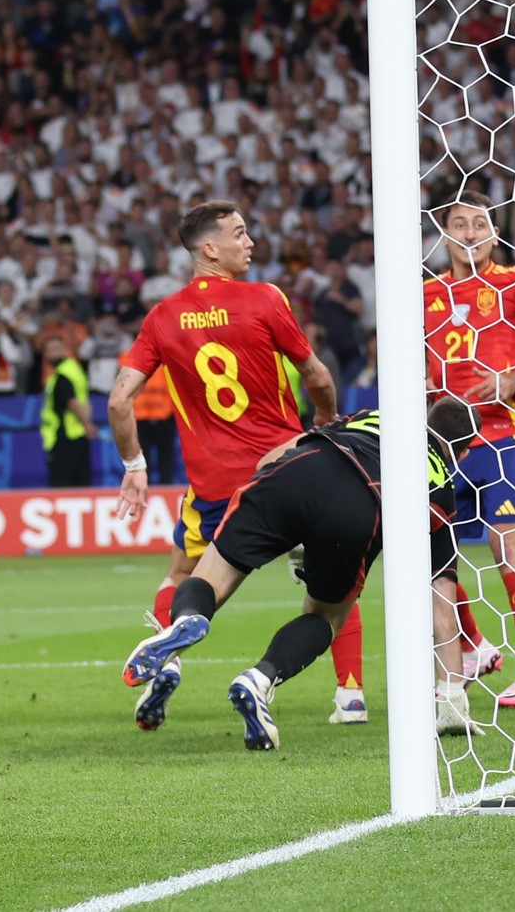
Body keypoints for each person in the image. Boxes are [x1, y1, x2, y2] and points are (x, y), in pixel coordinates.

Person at [107, 200, 351, 732]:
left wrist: (134, 465)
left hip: (215, 487)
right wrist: (327, 422)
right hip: (288, 472)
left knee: (183, 575)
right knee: (332, 587)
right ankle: (347, 693)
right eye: (240, 234)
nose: (251, 243)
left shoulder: (162, 316)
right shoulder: (263, 300)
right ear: (210, 248)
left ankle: (165, 663)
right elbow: (316, 375)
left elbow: (119, 401)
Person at [120, 405, 476, 750]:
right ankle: (258, 680)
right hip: (357, 512)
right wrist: (452, 700)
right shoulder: (441, 486)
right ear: (461, 453)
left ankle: (185, 620)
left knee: (211, 576)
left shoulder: (375, 416)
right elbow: (443, 610)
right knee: (325, 616)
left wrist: (286, 524)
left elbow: (273, 456)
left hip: (299, 469)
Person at [424, 193, 515, 707]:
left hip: (501, 435)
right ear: (444, 236)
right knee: (430, 556)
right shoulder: (424, 295)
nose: (469, 233)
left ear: (493, 231)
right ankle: (474, 646)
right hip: (443, 445)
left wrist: (513, 379)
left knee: (508, 547)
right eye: (458, 224)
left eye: (479, 223)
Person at [41, 334, 95, 487]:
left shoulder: (63, 374)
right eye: (49, 350)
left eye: (56, 348)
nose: (53, 353)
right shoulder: (75, 370)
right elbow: (85, 400)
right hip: (79, 434)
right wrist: (87, 423)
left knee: (61, 484)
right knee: (81, 483)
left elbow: (72, 402)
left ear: (66, 350)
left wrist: (87, 424)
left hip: (64, 436)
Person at [132, 364, 177, 485]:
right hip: (144, 418)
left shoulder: (128, 358)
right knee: (146, 464)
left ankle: (160, 492)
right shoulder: (168, 358)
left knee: (161, 464)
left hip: (162, 417)